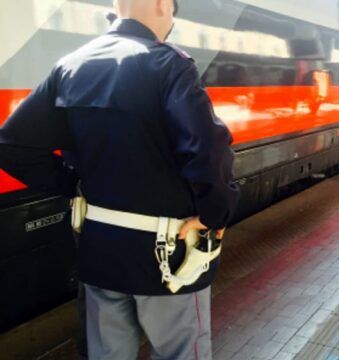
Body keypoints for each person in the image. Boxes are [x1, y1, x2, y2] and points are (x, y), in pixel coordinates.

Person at [0, 0, 240, 358]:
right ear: (162, 5)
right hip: (167, 257)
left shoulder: (70, 65)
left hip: (99, 249)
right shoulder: (169, 63)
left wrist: (72, 184)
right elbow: (207, 148)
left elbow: (11, 144)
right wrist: (214, 214)